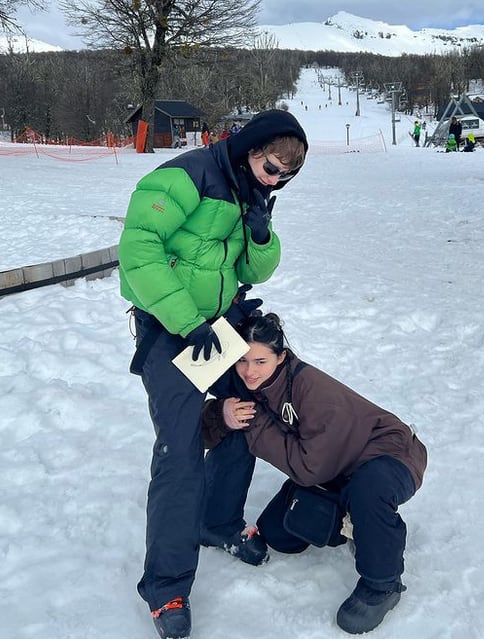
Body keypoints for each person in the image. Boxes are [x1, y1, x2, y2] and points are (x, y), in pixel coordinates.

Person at [118, 110, 308, 639]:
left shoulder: (252, 191)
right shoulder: (184, 177)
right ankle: (167, 588)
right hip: (171, 329)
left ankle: (217, 521)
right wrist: (185, 320)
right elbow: (137, 250)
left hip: (219, 325)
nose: (276, 181)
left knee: (245, 415)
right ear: (250, 147)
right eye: (272, 167)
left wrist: (262, 234)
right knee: (180, 455)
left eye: (286, 177)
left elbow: (250, 270)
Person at [201, 313, 428, 635]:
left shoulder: (312, 389)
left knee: (368, 493)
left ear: (281, 357)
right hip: (337, 465)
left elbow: (309, 470)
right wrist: (221, 413)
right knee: (279, 535)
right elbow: (202, 434)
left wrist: (252, 422)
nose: (250, 371)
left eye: (260, 361)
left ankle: (382, 584)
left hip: (387, 455)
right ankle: (357, 524)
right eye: (242, 360)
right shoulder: (252, 382)